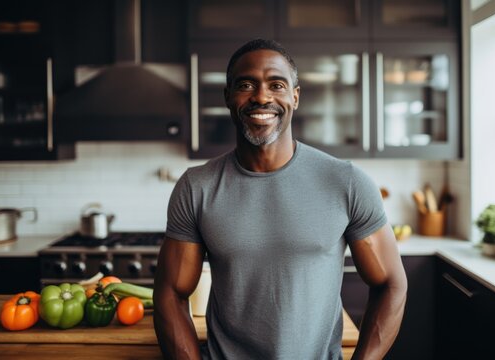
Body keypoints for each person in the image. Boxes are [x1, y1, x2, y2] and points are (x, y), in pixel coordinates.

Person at [153, 39, 407, 360]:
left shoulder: (347, 181)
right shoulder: (196, 187)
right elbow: (170, 294)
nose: (261, 97)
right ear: (228, 97)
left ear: (295, 97)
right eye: (246, 85)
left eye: (276, 84)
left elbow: (391, 284)